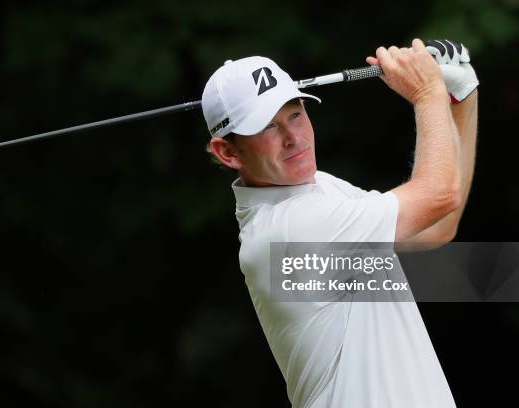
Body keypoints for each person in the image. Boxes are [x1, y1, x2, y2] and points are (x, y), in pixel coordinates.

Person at [201, 39, 478, 407]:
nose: (292, 138)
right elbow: (440, 195)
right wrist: (427, 93)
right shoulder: (289, 230)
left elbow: (437, 225)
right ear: (228, 152)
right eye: (267, 127)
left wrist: (459, 97)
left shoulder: (319, 190)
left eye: (295, 114)